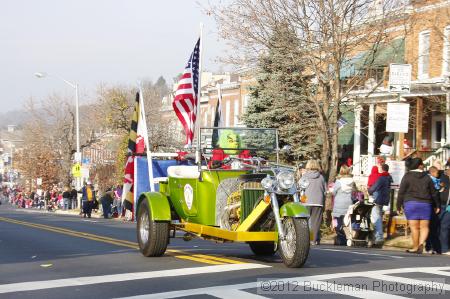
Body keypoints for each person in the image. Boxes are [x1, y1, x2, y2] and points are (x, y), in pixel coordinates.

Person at [397, 158, 440, 254]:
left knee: (414, 227)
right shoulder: (427, 177)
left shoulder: (407, 176)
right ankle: (421, 243)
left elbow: (401, 192)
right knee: (424, 227)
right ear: (420, 165)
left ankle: (416, 247)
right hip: (426, 204)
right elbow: (434, 193)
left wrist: (398, 205)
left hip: (411, 203)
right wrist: (437, 205)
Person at [303, 159, 327, 245]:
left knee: (304, 221)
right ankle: (313, 240)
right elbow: (325, 191)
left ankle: (305, 239)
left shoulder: (304, 176)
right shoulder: (321, 177)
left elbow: (300, 187)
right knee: (315, 222)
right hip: (318, 202)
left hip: (306, 201)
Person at [368, 163, 393, 247]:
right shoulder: (389, 177)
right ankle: (376, 237)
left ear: (382, 169)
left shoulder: (381, 178)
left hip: (378, 199)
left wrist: (369, 191)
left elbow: (374, 188)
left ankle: (379, 237)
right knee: (378, 217)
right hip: (385, 199)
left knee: (376, 218)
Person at [332, 165, 356, 245]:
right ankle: (347, 236)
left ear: (341, 171)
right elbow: (354, 191)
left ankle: (340, 235)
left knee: (336, 220)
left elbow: (333, 192)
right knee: (347, 221)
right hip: (348, 203)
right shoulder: (352, 181)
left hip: (339, 203)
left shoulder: (338, 181)